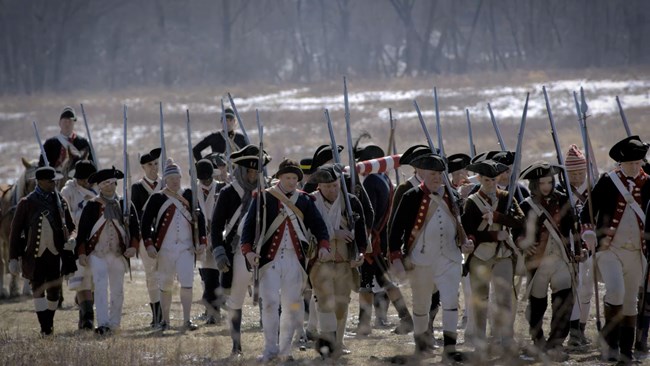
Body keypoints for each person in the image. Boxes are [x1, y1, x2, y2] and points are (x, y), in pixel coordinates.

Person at [240, 158, 330, 362]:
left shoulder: (305, 200)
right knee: (270, 304)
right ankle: (270, 348)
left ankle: (285, 350)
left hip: (295, 260)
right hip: (268, 260)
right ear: (279, 177)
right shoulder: (264, 197)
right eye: (288, 177)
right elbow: (248, 228)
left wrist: (324, 244)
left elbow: (318, 225)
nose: (291, 181)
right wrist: (247, 251)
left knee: (292, 305)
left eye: (294, 178)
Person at [389, 153, 473, 361]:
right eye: (433, 174)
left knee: (451, 301)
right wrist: (396, 257)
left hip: (450, 258)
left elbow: (463, 224)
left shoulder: (452, 195)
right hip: (421, 259)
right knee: (421, 305)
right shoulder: (411, 196)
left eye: (440, 174)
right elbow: (395, 228)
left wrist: (467, 240)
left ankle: (450, 348)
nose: (437, 178)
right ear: (423, 174)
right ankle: (421, 346)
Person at [581, 135, 650, 364]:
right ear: (621, 163)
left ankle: (626, 351)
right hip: (609, 249)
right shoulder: (608, 181)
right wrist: (589, 233)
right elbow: (586, 213)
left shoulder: (649, 183)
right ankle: (610, 345)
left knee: (631, 300)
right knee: (616, 292)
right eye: (631, 163)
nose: (635, 167)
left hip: (637, 252)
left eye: (638, 162)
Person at [461, 159, 525, 358]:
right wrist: (493, 235)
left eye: (493, 180)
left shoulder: (506, 198)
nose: (491, 184)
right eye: (487, 180)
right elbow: (467, 232)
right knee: (480, 299)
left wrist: (498, 218)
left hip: (503, 255)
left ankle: (506, 338)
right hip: (480, 255)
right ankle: (480, 340)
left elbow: (520, 221)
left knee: (505, 298)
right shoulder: (471, 202)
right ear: (480, 179)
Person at [514, 162, 577, 361]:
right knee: (537, 305)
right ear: (535, 184)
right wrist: (522, 242)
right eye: (542, 183)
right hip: (538, 262)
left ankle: (556, 343)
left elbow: (572, 229)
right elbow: (517, 230)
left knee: (564, 302)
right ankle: (538, 340)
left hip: (561, 259)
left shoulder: (564, 201)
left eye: (549, 182)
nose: (547, 186)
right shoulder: (526, 205)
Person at [211, 144, 270, 356]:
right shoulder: (228, 193)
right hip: (237, 250)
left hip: (264, 251)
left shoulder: (268, 193)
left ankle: (271, 344)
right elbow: (216, 225)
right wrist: (219, 251)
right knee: (236, 298)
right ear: (242, 171)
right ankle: (236, 345)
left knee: (270, 296)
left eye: (257, 171)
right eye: (250, 171)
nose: (253, 176)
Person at [8, 166, 77, 335]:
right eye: (50, 181)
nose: (54, 183)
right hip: (34, 255)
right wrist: (13, 258)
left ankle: (49, 322)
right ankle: (45, 328)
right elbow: (15, 233)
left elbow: (71, 226)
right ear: (39, 182)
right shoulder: (26, 203)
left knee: (54, 292)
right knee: (38, 290)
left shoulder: (60, 201)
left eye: (54, 180)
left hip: (55, 254)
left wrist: (72, 239)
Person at [141, 158, 208, 331]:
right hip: (165, 248)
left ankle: (186, 320)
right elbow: (145, 222)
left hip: (186, 247)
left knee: (187, 283)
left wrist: (202, 241)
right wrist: (149, 244)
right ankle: (165, 320)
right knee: (166, 284)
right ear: (166, 180)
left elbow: (200, 220)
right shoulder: (157, 198)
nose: (175, 181)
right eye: (171, 179)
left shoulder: (189, 195)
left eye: (177, 178)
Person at [309, 164, 367, 358]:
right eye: (328, 187)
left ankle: (338, 343)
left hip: (344, 262)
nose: (332, 190)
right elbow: (309, 231)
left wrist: (360, 252)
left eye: (335, 185)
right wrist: (334, 233)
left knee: (342, 304)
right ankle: (328, 347)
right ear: (319, 187)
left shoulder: (350, 202)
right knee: (325, 304)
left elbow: (360, 230)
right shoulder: (311, 202)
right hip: (319, 261)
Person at [76, 168, 140, 335]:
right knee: (101, 286)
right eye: (106, 183)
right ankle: (103, 324)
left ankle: (114, 323)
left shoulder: (125, 204)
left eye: (112, 183)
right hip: (98, 253)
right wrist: (82, 252)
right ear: (99, 186)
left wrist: (133, 246)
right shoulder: (92, 205)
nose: (110, 187)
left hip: (118, 254)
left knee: (118, 290)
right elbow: (82, 231)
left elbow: (135, 228)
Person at [60, 159, 97, 330]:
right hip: (76, 241)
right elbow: (64, 216)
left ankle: (85, 316)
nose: (83, 182)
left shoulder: (98, 189)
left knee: (95, 281)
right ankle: (88, 318)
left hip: (96, 241)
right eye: (81, 179)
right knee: (81, 281)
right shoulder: (68, 192)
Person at [562, 144, 593, 347]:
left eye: (581, 172)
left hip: (590, 245)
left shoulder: (593, 190)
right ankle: (573, 331)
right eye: (572, 173)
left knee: (587, 289)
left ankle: (581, 327)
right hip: (569, 247)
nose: (577, 177)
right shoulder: (561, 192)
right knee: (575, 287)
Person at [130, 147, 163, 327]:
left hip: (165, 235)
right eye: (150, 164)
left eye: (156, 163)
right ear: (143, 167)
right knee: (151, 275)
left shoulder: (165, 184)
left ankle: (164, 313)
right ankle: (156, 314)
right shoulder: (137, 188)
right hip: (146, 236)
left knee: (165, 275)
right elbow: (135, 214)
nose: (154, 167)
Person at [195, 159, 227, 324]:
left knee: (215, 276)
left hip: (219, 236)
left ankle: (215, 312)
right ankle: (212, 312)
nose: (205, 182)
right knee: (207, 276)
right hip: (201, 237)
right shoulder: (193, 191)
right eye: (202, 179)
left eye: (207, 178)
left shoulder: (222, 188)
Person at [40, 106, 94, 171]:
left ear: (74, 123)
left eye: (70, 122)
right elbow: (41, 164)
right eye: (65, 121)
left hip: (78, 178)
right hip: (55, 178)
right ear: (60, 123)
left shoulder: (83, 143)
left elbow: (92, 164)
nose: (67, 124)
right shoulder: (50, 144)